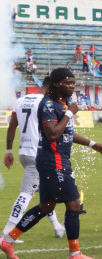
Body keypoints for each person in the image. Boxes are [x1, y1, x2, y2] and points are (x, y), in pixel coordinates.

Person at [1, 68, 102, 259]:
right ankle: (74, 254)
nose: (72, 86)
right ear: (57, 84)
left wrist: (93, 144)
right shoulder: (49, 104)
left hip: (52, 159)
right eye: (68, 83)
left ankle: (8, 240)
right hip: (54, 160)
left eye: (73, 82)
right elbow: (52, 133)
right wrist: (69, 113)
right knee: (73, 204)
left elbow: (66, 133)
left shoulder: (61, 104)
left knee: (46, 206)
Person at [3, 77, 66, 240]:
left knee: (46, 190)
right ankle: (6, 234)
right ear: (51, 88)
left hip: (24, 153)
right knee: (26, 193)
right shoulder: (46, 103)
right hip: (38, 154)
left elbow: (12, 126)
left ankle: (57, 227)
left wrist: (8, 150)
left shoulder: (21, 100)